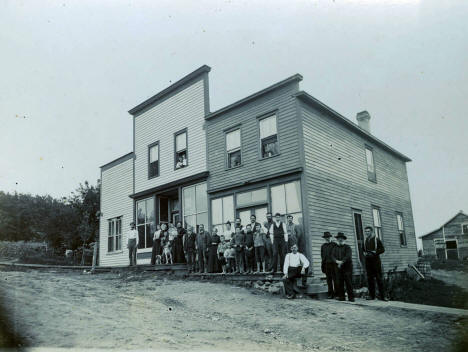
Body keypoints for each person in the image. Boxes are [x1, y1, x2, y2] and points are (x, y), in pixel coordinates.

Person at [363, 226, 387, 301]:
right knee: (370, 279)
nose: (367, 233)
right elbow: (363, 250)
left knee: (379, 279)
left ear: (371, 231)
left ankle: (383, 296)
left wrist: (375, 252)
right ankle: (372, 296)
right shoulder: (365, 241)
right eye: (366, 231)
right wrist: (364, 253)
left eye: (368, 231)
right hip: (368, 261)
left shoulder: (376, 240)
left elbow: (382, 249)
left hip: (375, 261)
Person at [331, 232, 355, 302]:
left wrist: (342, 262)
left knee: (348, 282)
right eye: (338, 239)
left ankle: (351, 297)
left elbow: (348, 256)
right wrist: (336, 261)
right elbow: (332, 256)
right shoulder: (335, 248)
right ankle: (342, 297)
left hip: (347, 267)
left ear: (344, 239)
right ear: (337, 239)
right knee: (339, 282)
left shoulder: (347, 247)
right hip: (338, 266)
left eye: (341, 238)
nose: (340, 240)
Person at [321, 231, 336, 298]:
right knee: (328, 280)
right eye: (326, 237)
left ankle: (337, 293)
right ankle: (330, 294)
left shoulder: (334, 244)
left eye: (328, 237)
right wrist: (323, 264)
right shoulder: (323, 246)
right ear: (324, 238)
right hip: (326, 264)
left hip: (333, 264)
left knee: (335, 279)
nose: (327, 238)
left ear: (330, 237)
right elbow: (322, 256)